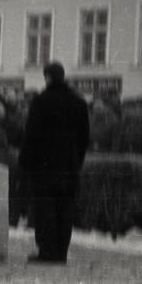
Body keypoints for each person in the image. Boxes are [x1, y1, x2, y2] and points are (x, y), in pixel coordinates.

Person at [18, 61, 90, 264]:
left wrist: (25, 162)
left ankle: (47, 252)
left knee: (45, 209)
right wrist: (77, 162)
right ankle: (61, 252)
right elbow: (84, 138)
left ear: (48, 77)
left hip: (44, 167)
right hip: (69, 168)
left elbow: (31, 135)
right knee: (65, 209)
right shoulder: (79, 103)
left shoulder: (41, 102)